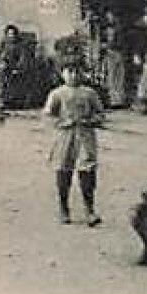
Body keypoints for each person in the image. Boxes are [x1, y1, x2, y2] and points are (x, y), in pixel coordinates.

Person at [43, 57, 104, 226]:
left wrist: (91, 120)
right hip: (64, 137)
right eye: (69, 71)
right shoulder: (57, 94)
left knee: (87, 170)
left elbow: (100, 114)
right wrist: (62, 122)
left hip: (85, 136)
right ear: (62, 73)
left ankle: (90, 210)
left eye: (77, 71)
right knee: (64, 170)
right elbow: (48, 116)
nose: (74, 75)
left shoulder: (89, 93)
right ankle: (64, 209)